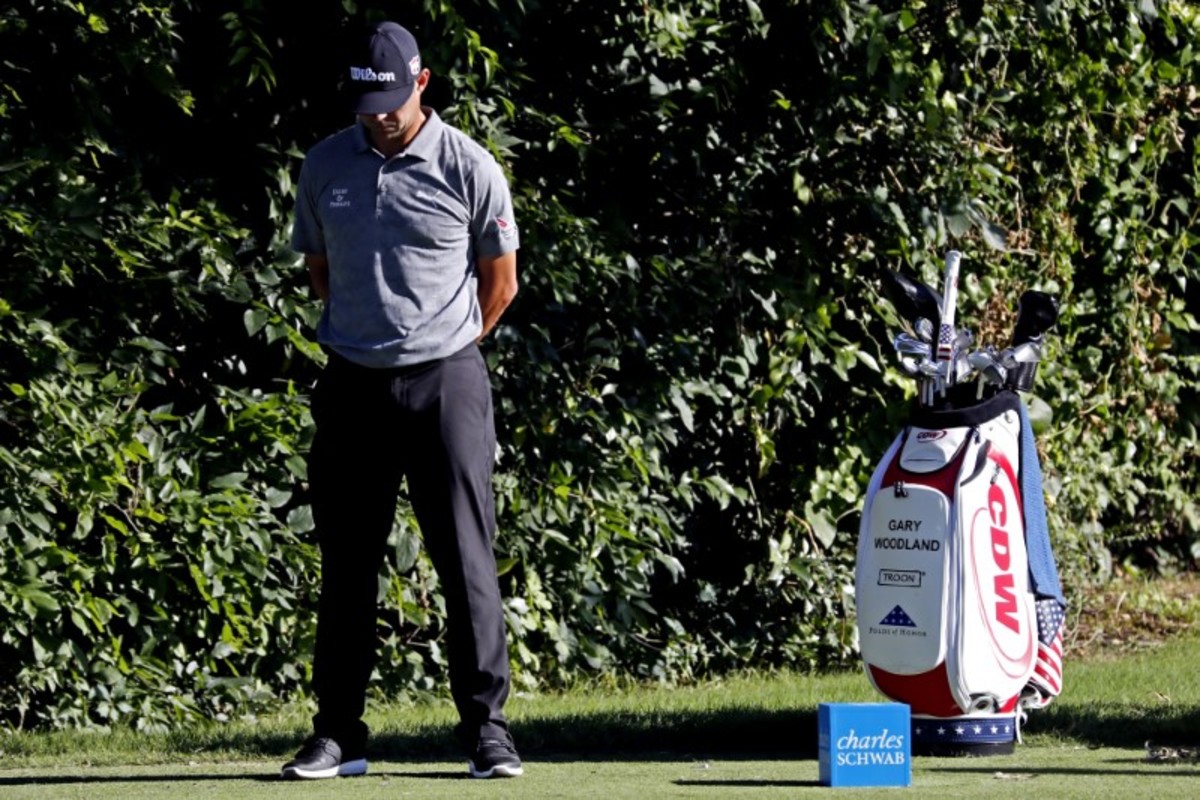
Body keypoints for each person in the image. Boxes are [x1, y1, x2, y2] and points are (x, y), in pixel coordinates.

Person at [280, 19, 522, 781]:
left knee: (465, 559)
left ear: (421, 83)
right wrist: (371, 337)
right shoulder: (325, 164)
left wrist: (442, 344)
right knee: (348, 563)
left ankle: (487, 731)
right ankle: (339, 736)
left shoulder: (468, 165)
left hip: (446, 381)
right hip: (352, 382)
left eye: (391, 100)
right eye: (366, 103)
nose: (379, 116)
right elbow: (321, 268)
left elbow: (501, 281)